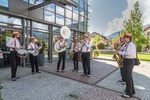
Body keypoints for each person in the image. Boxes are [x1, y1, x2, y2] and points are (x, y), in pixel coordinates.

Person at [117, 33, 136, 98]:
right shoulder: (126, 44)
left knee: (128, 77)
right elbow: (121, 49)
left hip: (130, 61)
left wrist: (119, 52)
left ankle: (129, 93)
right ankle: (132, 90)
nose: (124, 39)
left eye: (125, 38)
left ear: (128, 38)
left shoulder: (131, 44)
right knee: (129, 77)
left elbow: (128, 53)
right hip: (126, 61)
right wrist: (119, 47)